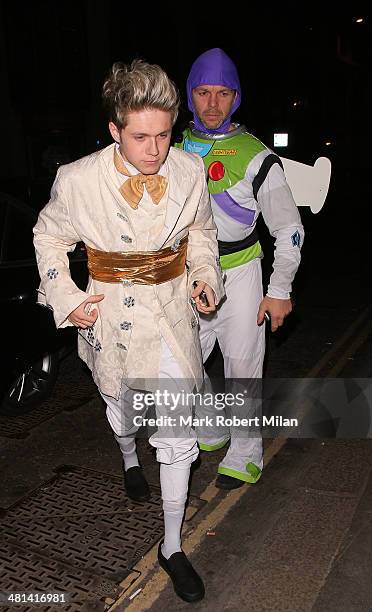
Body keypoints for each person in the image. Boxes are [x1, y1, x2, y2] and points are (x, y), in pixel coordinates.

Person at [33, 59, 224, 603]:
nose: (155, 150)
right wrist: (68, 299)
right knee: (122, 413)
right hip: (111, 318)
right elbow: (47, 238)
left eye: (164, 135)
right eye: (140, 136)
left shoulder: (188, 171)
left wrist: (205, 276)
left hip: (170, 320)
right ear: (114, 130)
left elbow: (202, 233)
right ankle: (125, 456)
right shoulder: (77, 179)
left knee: (178, 436)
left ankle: (171, 545)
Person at [176, 48, 305, 489]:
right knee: (184, 361)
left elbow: (289, 228)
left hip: (243, 274)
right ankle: (211, 426)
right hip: (190, 274)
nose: (212, 103)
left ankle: (246, 453)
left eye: (223, 93)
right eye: (203, 92)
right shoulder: (171, 151)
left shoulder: (257, 156)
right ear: (190, 95)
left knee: (242, 367)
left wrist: (280, 289)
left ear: (236, 97)